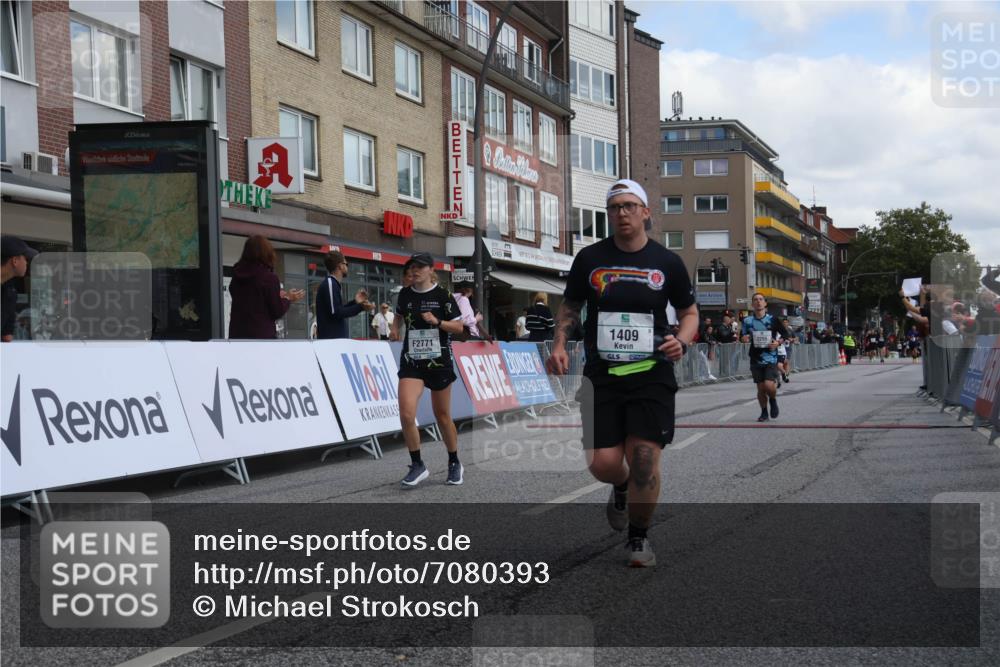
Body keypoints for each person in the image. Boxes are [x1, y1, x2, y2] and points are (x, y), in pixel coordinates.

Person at [547, 179, 698, 568]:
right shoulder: (590, 258)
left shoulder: (667, 263)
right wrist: (560, 343)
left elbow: (690, 313)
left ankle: (638, 537)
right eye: (615, 207)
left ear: (646, 212)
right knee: (603, 463)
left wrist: (681, 340)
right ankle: (619, 486)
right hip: (603, 375)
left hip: (652, 373)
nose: (622, 213)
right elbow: (570, 306)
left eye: (630, 205)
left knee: (645, 459)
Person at [392, 252, 465, 488]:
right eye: (411, 267)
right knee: (405, 413)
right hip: (412, 361)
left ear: (431, 270)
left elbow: (459, 327)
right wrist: (395, 329)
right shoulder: (405, 294)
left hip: (438, 361)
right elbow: (399, 316)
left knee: (442, 416)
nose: (414, 271)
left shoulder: (443, 296)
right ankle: (417, 464)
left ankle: (454, 462)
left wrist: (438, 322)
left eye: (419, 267)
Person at [228, 235, 304, 339]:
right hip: (261, 339)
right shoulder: (269, 278)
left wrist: (277, 297)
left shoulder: (236, 276)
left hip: (237, 336)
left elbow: (253, 301)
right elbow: (277, 311)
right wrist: (288, 298)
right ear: (267, 253)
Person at [740, 293, 790, 422]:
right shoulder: (747, 321)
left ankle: (772, 400)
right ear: (752, 304)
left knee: (769, 385)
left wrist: (778, 343)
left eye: (761, 299)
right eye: (755, 300)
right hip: (755, 357)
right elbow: (743, 336)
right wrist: (744, 338)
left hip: (771, 357)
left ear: (765, 303)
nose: (758, 302)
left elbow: (785, 334)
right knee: (761, 388)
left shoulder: (773, 319)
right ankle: (764, 412)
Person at [316, 250, 373, 339]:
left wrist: (355, 302)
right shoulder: (330, 283)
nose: (347, 266)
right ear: (340, 266)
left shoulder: (333, 284)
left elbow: (338, 310)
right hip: (331, 341)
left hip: (335, 340)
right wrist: (361, 307)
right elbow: (336, 313)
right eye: (346, 264)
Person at [1, 236, 37, 343]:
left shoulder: (10, 291)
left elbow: (7, 335)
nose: (27, 263)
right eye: (25, 258)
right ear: (15, 261)